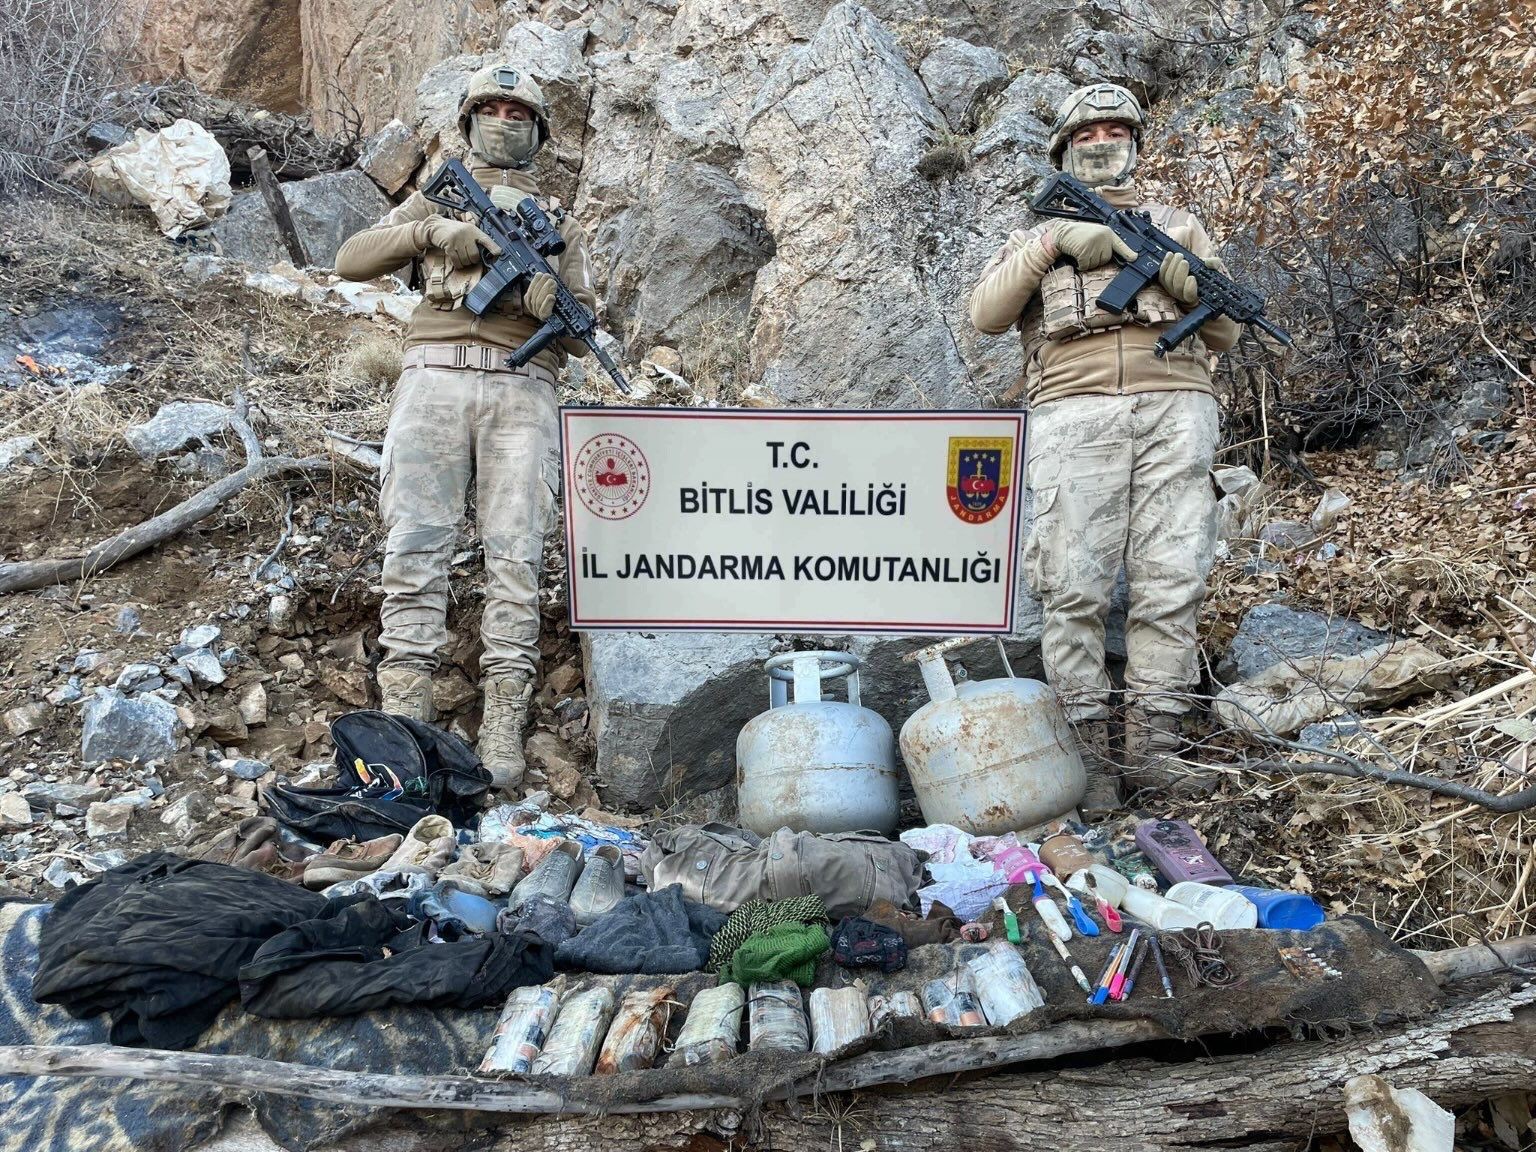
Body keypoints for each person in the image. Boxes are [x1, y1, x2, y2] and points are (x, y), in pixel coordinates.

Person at [967, 83, 1239, 812]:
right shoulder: (1035, 231)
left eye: (1117, 127)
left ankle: (1153, 749)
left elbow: (1228, 333)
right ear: (1064, 148)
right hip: (1072, 410)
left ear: (1137, 141)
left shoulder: (1179, 223)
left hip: (1177, 409)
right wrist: (1055, 243)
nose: (1102, 139)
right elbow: (987, 314)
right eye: (1087, 131)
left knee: (1170, 577)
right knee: (1073, 585)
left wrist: (1182, 280)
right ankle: (1087, 762)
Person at [335, 64, 598, 794]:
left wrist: (551, 306)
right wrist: (429, 230)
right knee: (415, 541)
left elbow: (583, 332)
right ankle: (404, 726)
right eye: (494, 107)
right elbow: (349, 259)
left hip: (523, 388)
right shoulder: (435, 197)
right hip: (435, 377)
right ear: (470, 116)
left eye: (521, 112)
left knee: (515, 552)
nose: (506, 120)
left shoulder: (557, 224)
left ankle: (504, 721)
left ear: (540, 131)